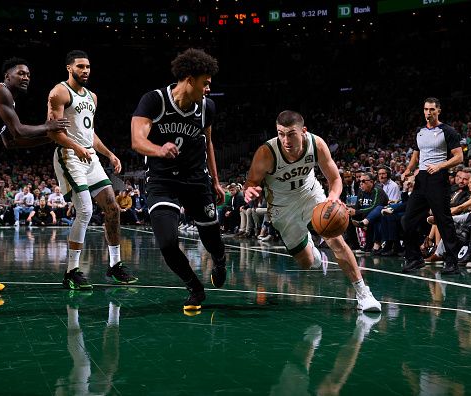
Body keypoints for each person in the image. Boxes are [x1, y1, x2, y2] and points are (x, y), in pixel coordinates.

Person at [243, 110, 381, 312]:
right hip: (282, 208)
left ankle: (363, 294)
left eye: (291, 134)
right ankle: (314, 253)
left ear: (303, 131)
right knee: (307, 262)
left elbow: (335, 179)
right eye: (281, 134)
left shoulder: (316, 144)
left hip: (310, 194)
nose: (285, 140)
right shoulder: (267, 152)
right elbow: (251, 181)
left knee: (336, 240)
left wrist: (332, 201)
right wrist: (249, 191)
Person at [131, 48, 227, 312]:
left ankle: (220, 260)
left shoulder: (208, 107)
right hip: (162, 180)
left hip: (196, 180)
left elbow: (208, 143)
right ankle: (195, 287)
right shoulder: (154, 101)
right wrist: (158, 149)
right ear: (189, 79)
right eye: (205, 83)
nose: (209, 88)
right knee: (167, 242)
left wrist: (216, 182)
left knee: (211, 239)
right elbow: (137, 140)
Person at [47, 50, 138, 290]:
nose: (85, 70)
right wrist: (77, 148)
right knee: (85, 211)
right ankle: (71, 272)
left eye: (88, 66)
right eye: (80, 66)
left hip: (90, 156)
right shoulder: (59, 92)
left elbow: (90, 134)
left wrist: (109, 154)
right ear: (69, 68)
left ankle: (115, 266)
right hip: (69, 156)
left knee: (112, 208)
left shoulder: (92, 97)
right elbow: (53, 131)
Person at [0, 57, 70, 291]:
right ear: (7, 76)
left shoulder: (7, 104)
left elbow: (12, 142)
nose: (26, 77)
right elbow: (19, 129)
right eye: (21, 73)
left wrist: (50, 138)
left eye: (29, 75)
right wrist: (50, 127)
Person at [401, 97, 464, 275]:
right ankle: (414, 258)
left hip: (438, 178)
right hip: (421, 179)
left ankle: (452, 262)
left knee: (443, 220)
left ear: (438, 111)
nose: (428, 113)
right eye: (426, 109)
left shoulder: (448, 131)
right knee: (408, 219)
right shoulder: (419, 131)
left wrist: (440, 166)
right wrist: (408, 170)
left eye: (432, 110)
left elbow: (459, 157)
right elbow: (416, 155)